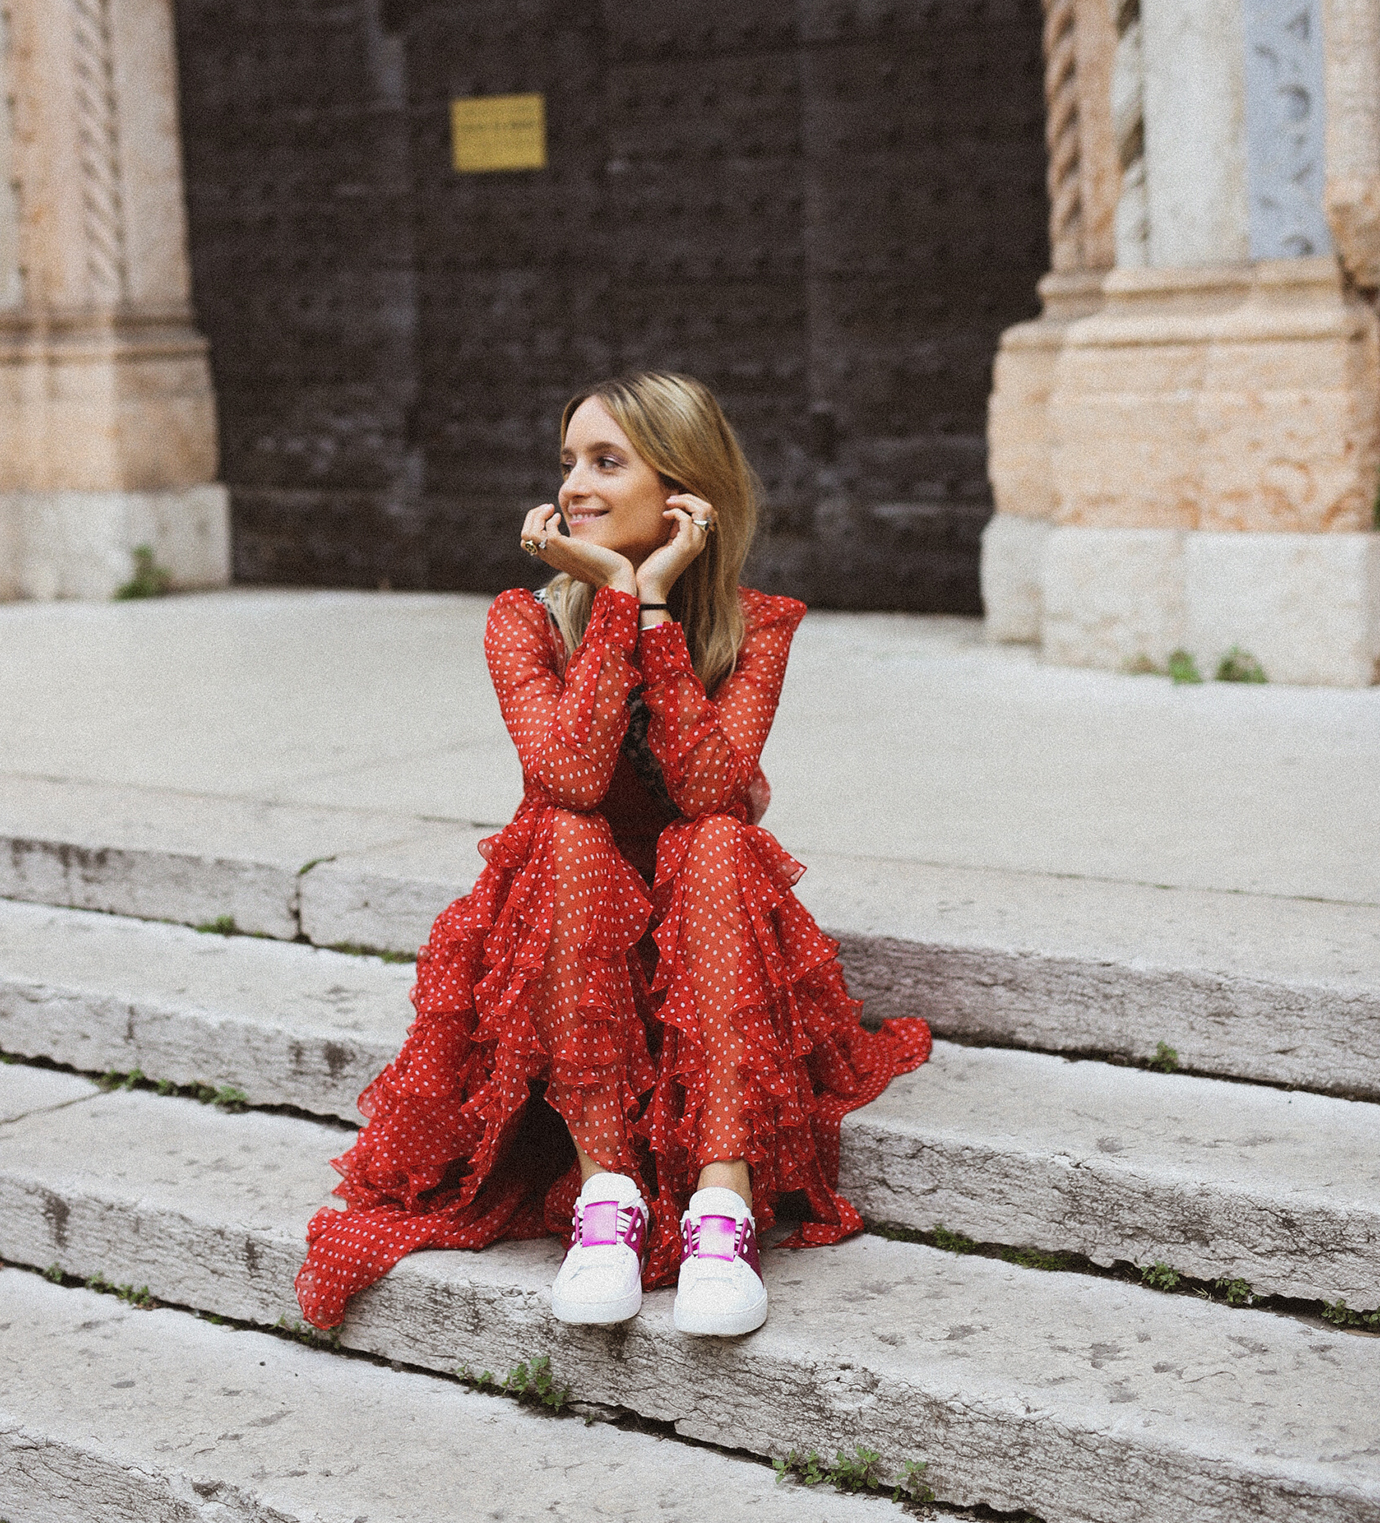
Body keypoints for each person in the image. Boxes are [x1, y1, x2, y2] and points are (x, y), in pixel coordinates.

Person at [294, 372, 930, 1339]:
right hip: (567, 938)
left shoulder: (757, 627)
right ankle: (608, 1201)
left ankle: (722, 1205)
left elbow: (714, 793)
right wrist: (617, 597)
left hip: (704, 944)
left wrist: (660, 611)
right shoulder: (525, 619)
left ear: (685, 488)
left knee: (718, 839)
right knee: (565, 830)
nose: (574, 488)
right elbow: (573, 776)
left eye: (606, 462)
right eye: (567, 464)